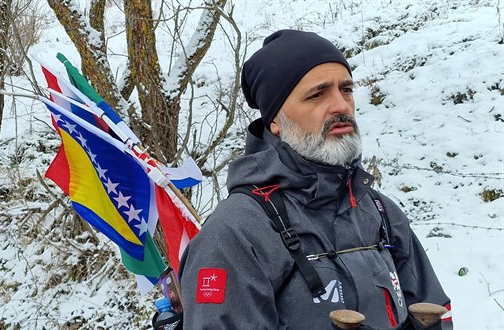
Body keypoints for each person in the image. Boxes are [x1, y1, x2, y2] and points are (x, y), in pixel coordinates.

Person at [178, 30, 452, 329]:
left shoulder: (381, 212)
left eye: (346, 90)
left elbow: (434, 310)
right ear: (276, 121)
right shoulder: (237, 232)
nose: (341, 106)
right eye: (317, 94)